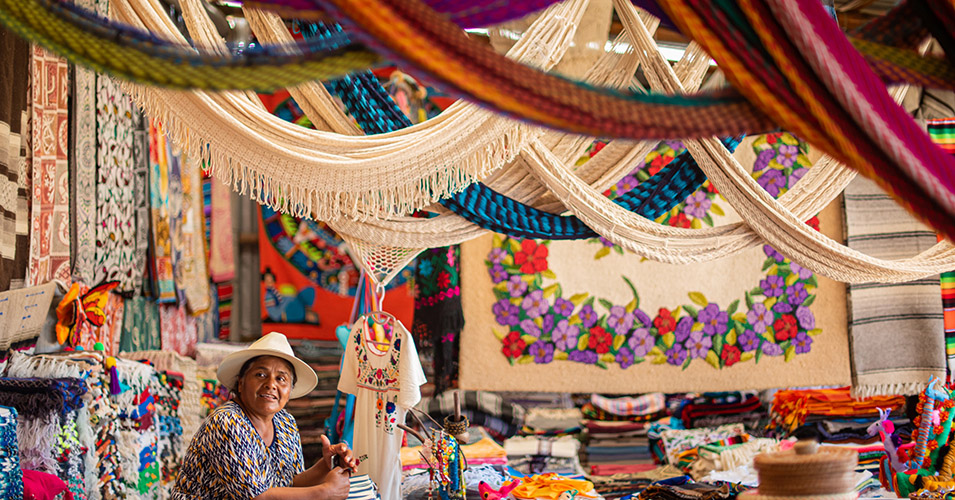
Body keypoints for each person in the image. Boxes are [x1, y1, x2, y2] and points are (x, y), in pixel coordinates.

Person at [172, 332, 357, 500]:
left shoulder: (285, 422)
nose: (271, 384)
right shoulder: (228, 422)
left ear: (290, 389)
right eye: (260, 374)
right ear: (241, 382)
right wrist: (324, 492)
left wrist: (326, 465)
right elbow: (258, 497)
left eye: (281, 378)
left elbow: (290, 485)